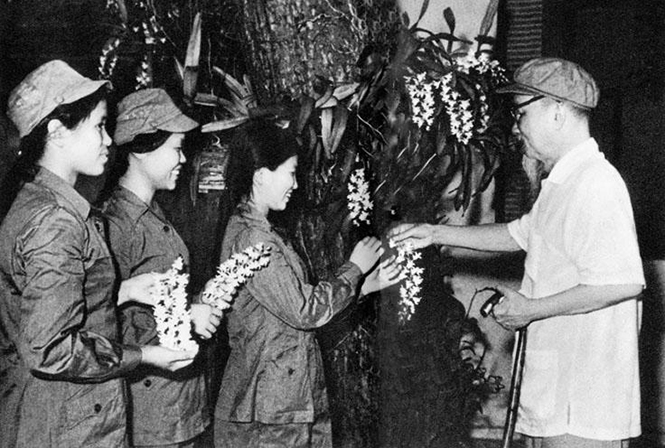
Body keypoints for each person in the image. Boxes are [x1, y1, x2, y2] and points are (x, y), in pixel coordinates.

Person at [389, 57, 644, 448]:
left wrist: (531, 309)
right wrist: (435, 232)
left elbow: (621, 283)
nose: (515, 126)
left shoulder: (597, 184)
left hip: (585, 403)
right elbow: (519, 233)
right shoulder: (563, 182)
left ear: (557, 112)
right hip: (557, 394)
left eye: (521, 113)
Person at [0, 60, 197, 448]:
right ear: (57, 132)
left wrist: (123, 291)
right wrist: (143, 355)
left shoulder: (40, 202)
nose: (109, 140)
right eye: (99, 126)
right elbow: (50, 350)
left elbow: (38, 307)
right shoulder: (55, 221)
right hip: (69, 424)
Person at [214, 118, 401, 448]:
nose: (296, 184)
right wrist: (354, 269)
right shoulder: (252, 239)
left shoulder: (262, 232)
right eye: (291, 173)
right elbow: (304, 312)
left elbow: (287, 316)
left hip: (283, 401)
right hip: (269, 411)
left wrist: (363, 287)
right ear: (261, 175)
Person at [103, 88, 223, 448]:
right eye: (176, 148)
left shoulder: (155, 213)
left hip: (182, 408)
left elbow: (155, 299)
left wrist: (199, 301)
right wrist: (187, 317)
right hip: (151, 418)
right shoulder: (115, 226)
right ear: (142, 150)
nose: (183, 159)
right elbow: (104, 325)